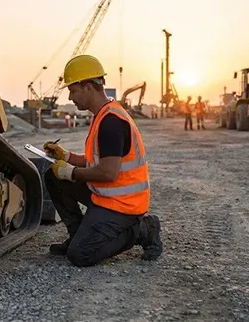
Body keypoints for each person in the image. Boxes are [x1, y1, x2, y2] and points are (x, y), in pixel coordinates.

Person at [42, 54, 163, 267]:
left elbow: (108, 173)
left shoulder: (111, 122)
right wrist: (66, 156)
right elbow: (95, 161)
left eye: (73, 90)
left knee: (80, 255)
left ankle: (143, 229)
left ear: (88, 86)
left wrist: (70, 172)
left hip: (123, 206)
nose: (70, 97)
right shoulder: (103, 115)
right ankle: (78, 233)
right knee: (53, 176)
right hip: (105, 196)